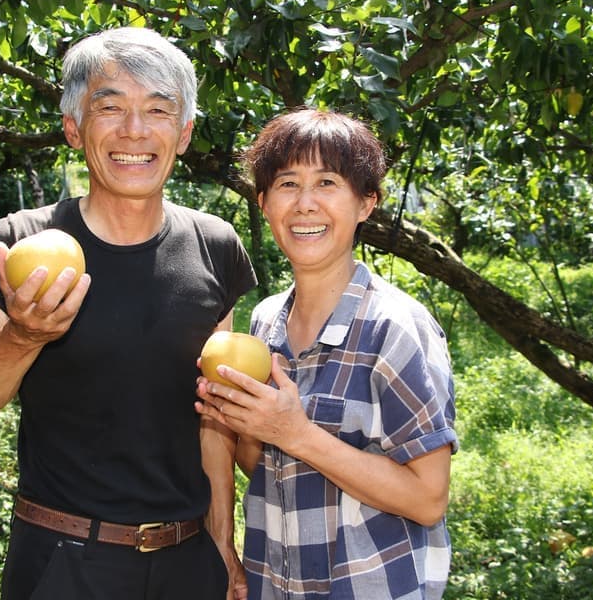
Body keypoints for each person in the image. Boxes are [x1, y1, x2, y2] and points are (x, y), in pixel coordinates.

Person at [0, 26, 255, 600]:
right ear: (73, 128)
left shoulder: (215, 246)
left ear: (183, 133)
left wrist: (222, 545)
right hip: (65, 561)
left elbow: (212, 417)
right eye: (110, 107)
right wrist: (23, 336)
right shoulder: (22, 242)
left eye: (158, 110)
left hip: (187, 562)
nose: (134, 130)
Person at [196, 108, 458, 599]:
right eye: (288, 184)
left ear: (366, 204)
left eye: (328, 183)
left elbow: (428, 498)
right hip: (275, 583)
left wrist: (297, 433)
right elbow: (274, 471)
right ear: (265, 203)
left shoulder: (395, 328)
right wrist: (238, 420)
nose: (306, 204)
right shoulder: (265, 325)